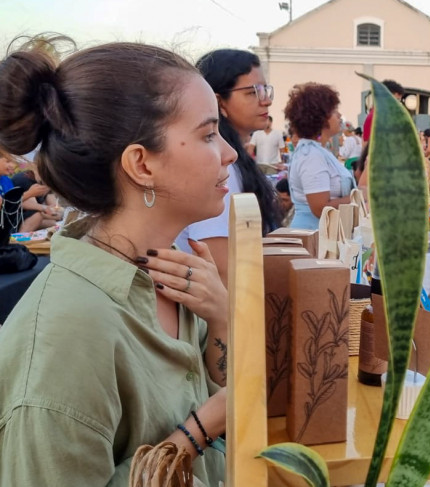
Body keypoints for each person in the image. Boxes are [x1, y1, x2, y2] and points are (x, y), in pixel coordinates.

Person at [0, 39, 235, 486]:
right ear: (141, 165)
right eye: (208, 135)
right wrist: (196, 433)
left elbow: (229, 396)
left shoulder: (173, 274)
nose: (229, 154)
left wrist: (221, 318)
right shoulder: (64, 339)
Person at [179, 49, 282, 285]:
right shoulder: (215, 163)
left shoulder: (235, 159)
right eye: (251, 92)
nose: (265, 99)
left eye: (265, 90)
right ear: (217, 101)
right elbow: (220, 265)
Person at [285, 82, 356, 230]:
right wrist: (359, 197)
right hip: (313, 235)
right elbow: (320, 208)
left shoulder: (317, 151)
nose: (339, 115)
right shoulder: (311, 155)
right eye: (334, 110)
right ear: (321, 117)